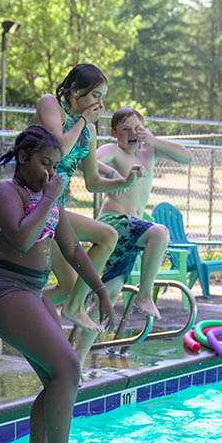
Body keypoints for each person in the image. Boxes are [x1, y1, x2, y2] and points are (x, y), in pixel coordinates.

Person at [0, 125, 116, 443]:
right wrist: (48, 199)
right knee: (68, 368)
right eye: (44, 164)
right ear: (23, 158)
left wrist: (100, 291)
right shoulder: (5, 191)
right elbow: (21, 239)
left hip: (31, 291)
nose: (50, 174)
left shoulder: (48, 198)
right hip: (4, 289)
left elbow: (72, 249)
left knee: (60, 378)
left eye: (55, 167)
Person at [70, 106, 193, 365]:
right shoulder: (115, 151)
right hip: (114, 223)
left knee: (109, 298)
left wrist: (154, 139)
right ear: (115, 133)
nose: (132, 133)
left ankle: (76, 362)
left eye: (137, 128)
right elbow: (87, 160)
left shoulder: (150, 151)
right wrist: (112, 173)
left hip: (132, 230)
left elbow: (186, 157)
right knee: (159, 233)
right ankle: (144, 295)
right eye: (125, 129)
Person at [32, 64, 143, 332]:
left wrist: (123, 181)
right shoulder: (51, 105)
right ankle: (74, 308)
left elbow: (93, 182)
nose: (100, 104)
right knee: (108, 236)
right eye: (96, 95)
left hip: (57, 210)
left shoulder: (89, 132)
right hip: (35, 201)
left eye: (102, 97)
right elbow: (57, 145)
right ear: (76, 91)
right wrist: (83, 120)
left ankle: (11, 310)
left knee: (70, 287)